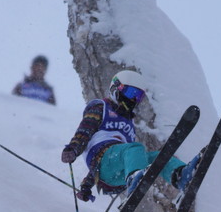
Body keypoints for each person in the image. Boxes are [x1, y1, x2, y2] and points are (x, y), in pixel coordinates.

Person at [60, 70, 200, 202]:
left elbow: (123, 158)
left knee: (158, 157)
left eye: (138, 96)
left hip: (116, 175)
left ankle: (180, 176)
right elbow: (85, 131)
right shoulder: (101, 108)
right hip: (103, 159)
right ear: (116, 88)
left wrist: (86, 186)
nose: (133, 99)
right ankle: (135, 178)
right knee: (134, 149)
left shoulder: (129, 124)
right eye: (130, 92)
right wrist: (73, 149)